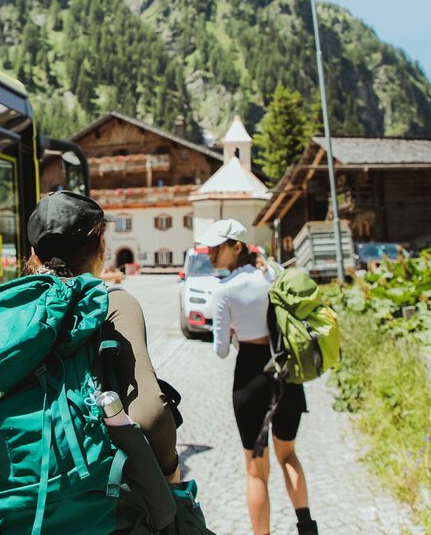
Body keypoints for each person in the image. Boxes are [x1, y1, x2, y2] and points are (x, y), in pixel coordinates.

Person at [26, 191, 180, 481]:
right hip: (94, 496)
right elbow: (150, 414)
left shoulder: (12, 311)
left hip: (15, 495)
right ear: (102, 247)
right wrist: (171, 474)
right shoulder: (114, 304)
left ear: (34, 255)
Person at [196, 219, 316, 535]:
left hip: (250, 376)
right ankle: (307, 527)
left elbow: (221, 350)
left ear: (236, 247)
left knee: (255, 471)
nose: (209, 252)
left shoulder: (223, 291)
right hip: (286, 373)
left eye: (216, 247)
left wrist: (236, 332)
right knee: (288, 454)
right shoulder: (271, 275)